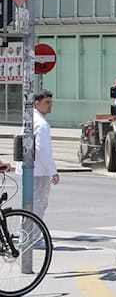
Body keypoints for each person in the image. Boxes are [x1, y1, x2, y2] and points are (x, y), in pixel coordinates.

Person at [16, 90, 60, 219]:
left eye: (51, 102)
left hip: (29, 168)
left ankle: (27, 235)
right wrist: (53, 171)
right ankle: (33, 237)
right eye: (47, 102)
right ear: (37, 104)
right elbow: (43, 149)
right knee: (38, 204)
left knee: (28, 205)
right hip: (38, 171)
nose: (50, 105)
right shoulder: (42, 124)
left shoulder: (30, 120)